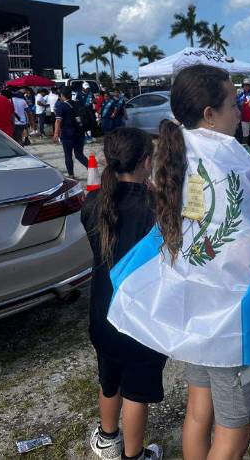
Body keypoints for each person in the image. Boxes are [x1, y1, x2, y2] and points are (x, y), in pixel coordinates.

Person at [150, 66, 250, 460]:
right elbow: (247, 234)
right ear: (209, 113)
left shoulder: (175, 147)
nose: (240, 110)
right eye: (233, 103)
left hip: (191, 305)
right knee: (236, 423)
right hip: (226, 314)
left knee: (199, 410)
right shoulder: (229, 159)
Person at [81, 127, 166, 460]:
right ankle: (134, 455)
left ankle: (107, 436)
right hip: (140, 318)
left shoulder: (92, 202)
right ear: (147, 162)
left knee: (109, 379)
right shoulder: (156, 208)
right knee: (135, 393)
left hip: (102, 313)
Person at [53, 87, 89, 179]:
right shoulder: (77, 104)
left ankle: (71, 175)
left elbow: (58, 121)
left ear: (62, 95)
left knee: (68, 155)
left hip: (68, 134)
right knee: (79, 154)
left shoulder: (61, 106)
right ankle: (92, 169)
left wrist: (56, 134)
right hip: (80, 133)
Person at [236, 78, 250, 146]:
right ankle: (246, 150)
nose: (245, 86)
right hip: (244, 118)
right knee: (245, 136)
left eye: (247, 85)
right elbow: (237, 103)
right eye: (244, 85)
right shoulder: (241, 94)